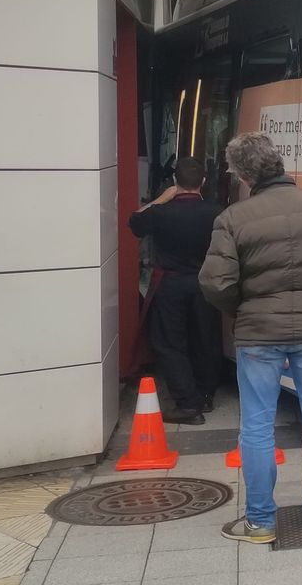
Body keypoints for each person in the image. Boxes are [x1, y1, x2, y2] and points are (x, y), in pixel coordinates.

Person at [199, 132, 302, 545]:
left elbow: (215, 282)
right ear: (279, 162)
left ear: (242, 174)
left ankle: (260, 522)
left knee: (257, 426)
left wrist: (244, 308)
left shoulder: (233, 218)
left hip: (258, 336)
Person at [128, 157, 223, 425]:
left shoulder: (160, 213)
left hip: (170, 283)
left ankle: (187, 402)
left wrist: (161, 199)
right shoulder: (216, 212)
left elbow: (134, 222)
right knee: (206, 337)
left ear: (174, 182)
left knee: (170, 343)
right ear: (203, 182)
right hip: (205, 282)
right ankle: (206, 393)